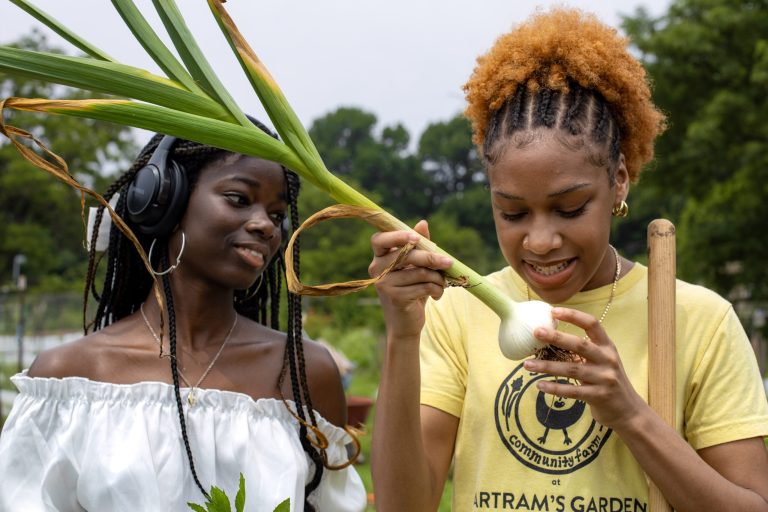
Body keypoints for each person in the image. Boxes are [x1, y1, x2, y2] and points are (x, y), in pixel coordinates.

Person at [368, 8, 768, 512]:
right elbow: (403, 506)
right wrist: (402, 336)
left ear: (618, 179)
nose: (539, 241)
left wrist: (631, 415)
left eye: (570, 208)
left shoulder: (699, 320)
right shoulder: (454, 314)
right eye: (512, 212)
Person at [0, 121, 366, 511]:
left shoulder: (305, 373)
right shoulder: (68, 379)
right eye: (239, 199)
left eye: (277, 216)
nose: (265, 226)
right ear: (164, 201)